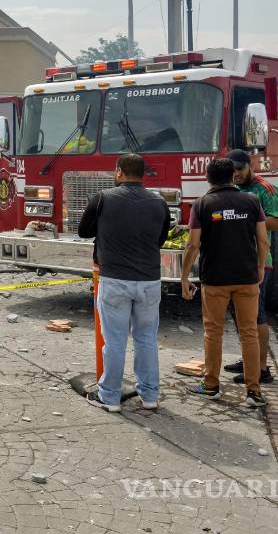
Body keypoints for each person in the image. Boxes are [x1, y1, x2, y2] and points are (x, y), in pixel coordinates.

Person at [77, 153, 172, 412]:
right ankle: (150, 395)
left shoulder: (103, 199)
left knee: (115, 341)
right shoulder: (159, 202)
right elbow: (161, 238)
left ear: (119, 171)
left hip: (115, 280)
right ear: (143, 174)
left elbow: (83, 231)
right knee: (146, 339)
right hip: (149, 281)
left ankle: (109, 397)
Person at [181, 158, 270, 408]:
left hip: (215, 279)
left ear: (208, 178)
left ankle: (211, 386)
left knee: (213, 333)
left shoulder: (202, 204)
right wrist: (260, 267)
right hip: (247, 277)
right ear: (233, 176)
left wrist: (184, 275)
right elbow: (263, 241)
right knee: (249, 332)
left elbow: (193, 244)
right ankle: (254, 392)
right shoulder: (252, 201)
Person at [224, 149, 278, 385]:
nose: (236, 174)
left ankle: (261, 369)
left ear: (250, 166)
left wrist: (243, 217)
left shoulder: (266, 190)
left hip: (259, 264)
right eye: (232, 170)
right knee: (241, 316)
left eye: (239, 169)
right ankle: (248, 358)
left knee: (256, 317)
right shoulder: (230, 188)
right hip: (236, 262)